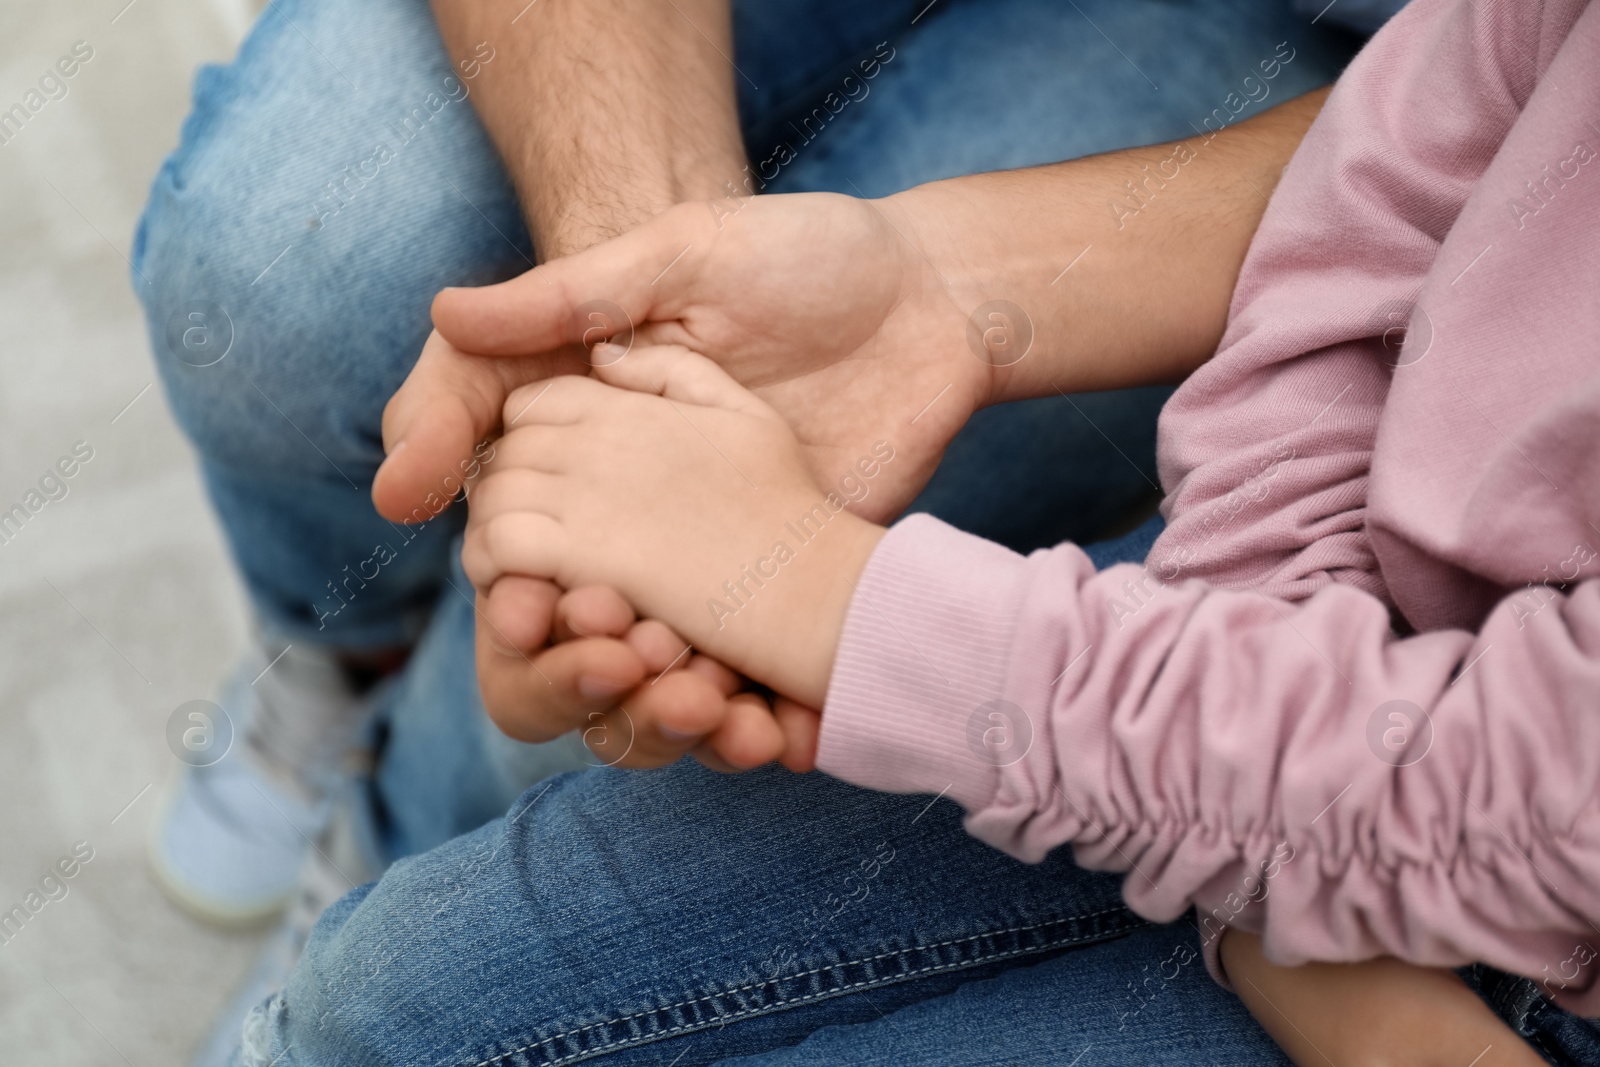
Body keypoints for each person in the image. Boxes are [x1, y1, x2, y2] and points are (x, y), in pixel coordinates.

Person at [207, 1, 1600, 1066]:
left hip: (1464, 857)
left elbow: (1526, 788)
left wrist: (826, 590)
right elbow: (1399, 208)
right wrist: (653, 323)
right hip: (1317, 729)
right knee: (387, 990)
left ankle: (400, 787)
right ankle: (355, 704)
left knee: (497, 812)